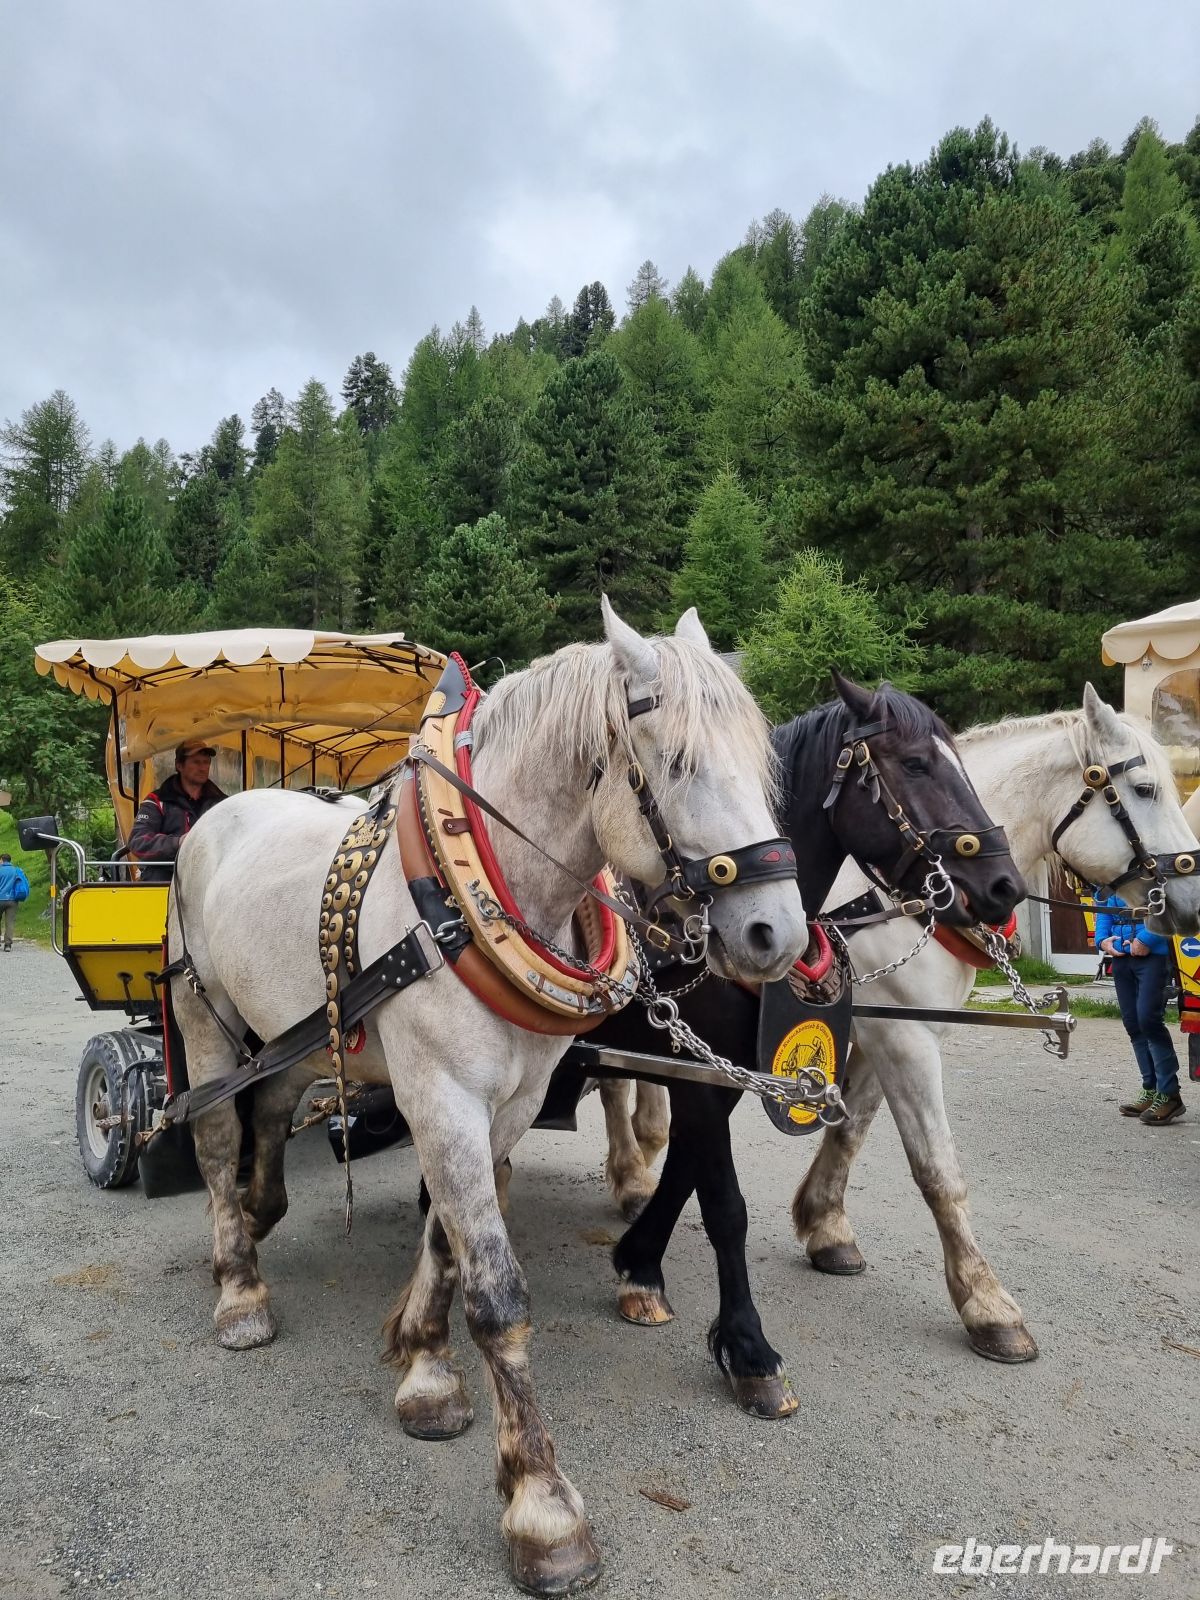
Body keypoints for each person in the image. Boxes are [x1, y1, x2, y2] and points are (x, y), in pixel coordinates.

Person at [1094, 892, 1186, 1125]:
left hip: (1153, 955)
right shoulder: (1106, 875)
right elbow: (1103, 908)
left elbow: (1168, 908)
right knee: (1133, 1024)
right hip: (1122, 957)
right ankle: (1151, 1090)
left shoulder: (1149, 869)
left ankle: (1169, 1094)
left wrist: (1146, 939)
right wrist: (1102, 939)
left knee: (1149, 1021)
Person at [127, 740, 227, 882]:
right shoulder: (156, 801)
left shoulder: (222, 803)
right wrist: (178, 842)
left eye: (206, 762)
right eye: (196, 762)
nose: (203, 767)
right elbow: (138, 841)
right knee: (156, 875)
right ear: (179, 765)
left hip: (210, 873)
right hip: (168, 875)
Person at [0, 853, 29, 951]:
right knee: (10, 922)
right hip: (13, 900)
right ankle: (7, 945)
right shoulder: (16, 870)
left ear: (1, 860)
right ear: (9, 860)